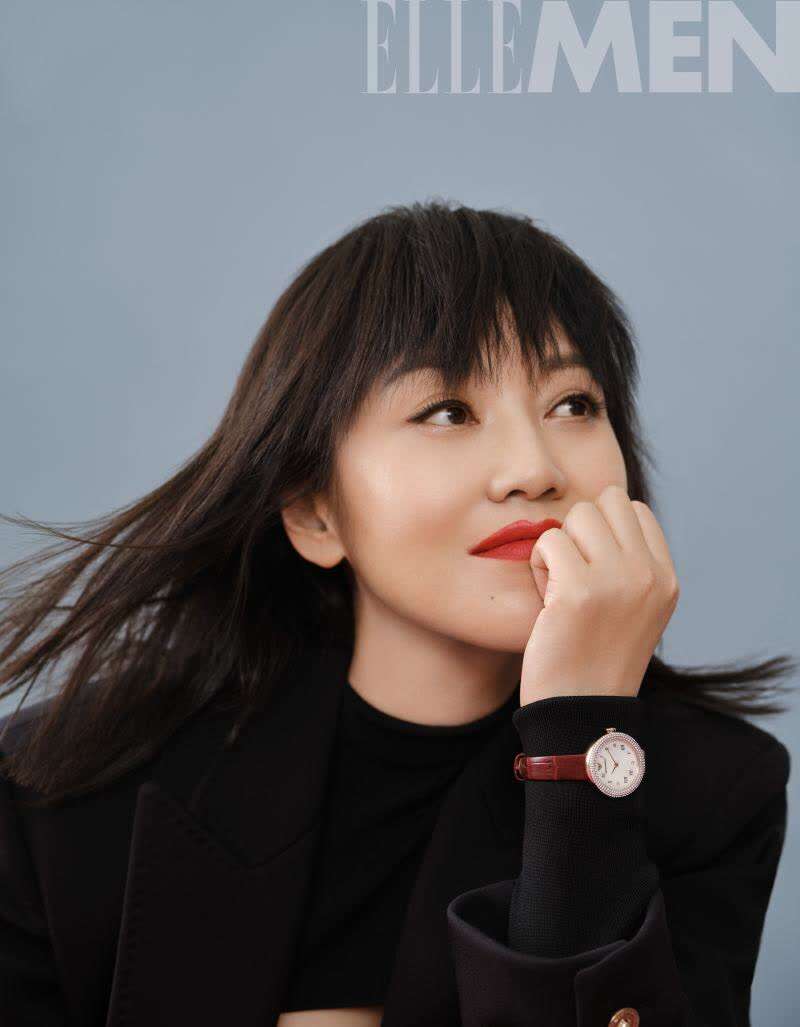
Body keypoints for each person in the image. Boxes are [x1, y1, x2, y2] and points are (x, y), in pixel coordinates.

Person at [0, 200, 793, 1027]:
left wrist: (581, 745)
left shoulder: (716, 793)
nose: (534, 468)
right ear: (315, 512)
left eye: (573, 404)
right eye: (447, 411)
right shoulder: (52, 797)